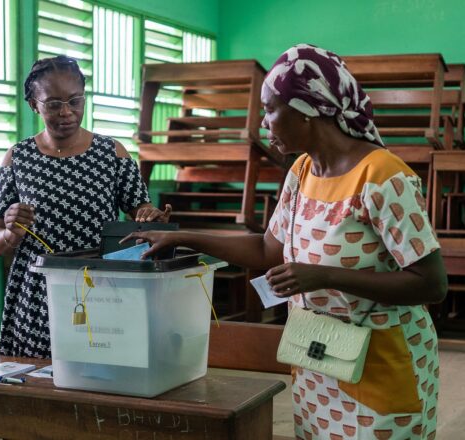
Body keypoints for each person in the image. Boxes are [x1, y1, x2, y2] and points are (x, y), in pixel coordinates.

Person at [124, 44, 447, 439]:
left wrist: (323, 276)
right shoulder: (303, 170)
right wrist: (185, 236)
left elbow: (431, 284)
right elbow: (266, 249)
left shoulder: (383, 178)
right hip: (319, 357)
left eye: (271, 109)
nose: (263, 123)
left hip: (380, 359)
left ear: (309, 110)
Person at [0, 56, 170, 359]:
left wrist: (150, 216)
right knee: (38, 382)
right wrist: (10, 233)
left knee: (100, 371)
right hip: (37, 295)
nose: (67, 112)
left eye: (75, 101)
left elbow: (140, 211)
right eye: (53, 104)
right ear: (34, 104)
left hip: (99, 288)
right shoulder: (17, 158)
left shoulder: (111, 153)